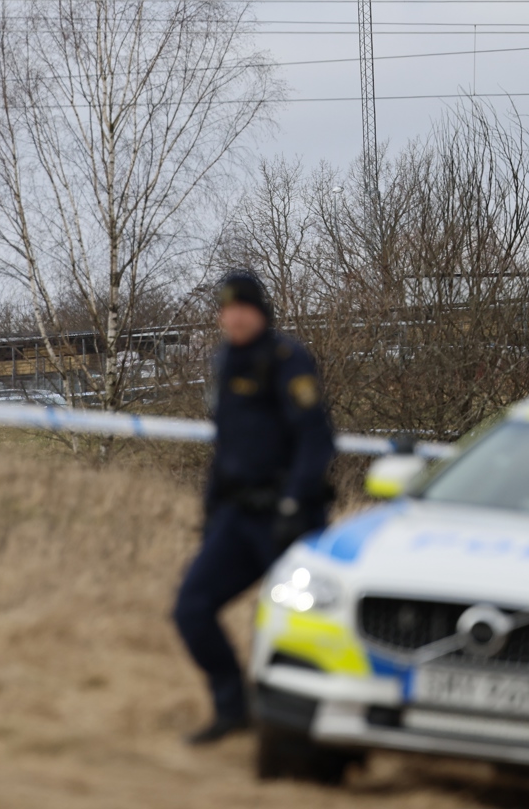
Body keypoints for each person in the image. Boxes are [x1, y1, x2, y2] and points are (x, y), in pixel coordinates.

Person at [173, 269, 336, 745]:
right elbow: (225, 449)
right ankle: (232, 709)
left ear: (260, 312)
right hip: (237, 516)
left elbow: (316, 439)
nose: (235, 317)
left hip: (288, 518)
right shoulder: (225, 362)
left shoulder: (287, 359)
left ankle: (305, 728)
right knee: (192, 607)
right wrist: (210, 513)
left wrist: (293, 501)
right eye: (227, 310)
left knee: (299, 623)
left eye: (244, 308)